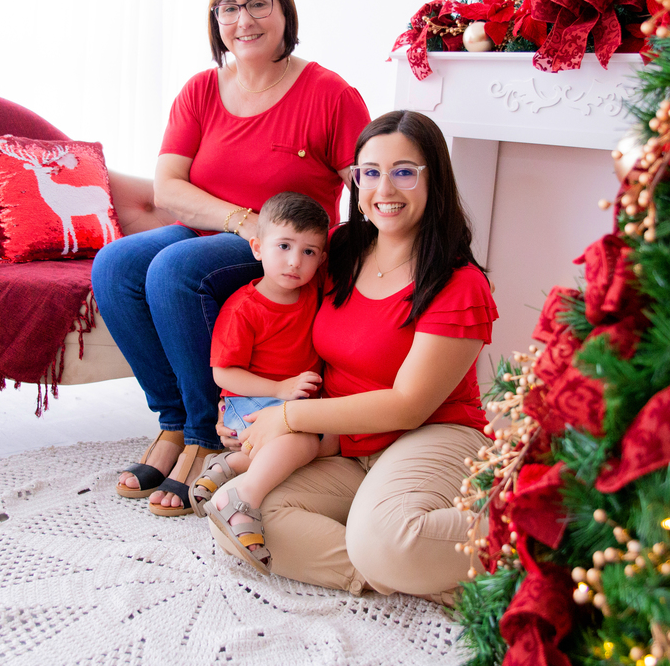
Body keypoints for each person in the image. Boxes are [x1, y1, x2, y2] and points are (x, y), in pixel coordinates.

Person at [90, 0, 370, 516]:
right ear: (215, 20)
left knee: (175, 270)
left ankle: (204, 437)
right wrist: (243, 221)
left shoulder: (329, 94)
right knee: (115, 265)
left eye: (259, 3)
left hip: (285, 251)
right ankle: (173, 422)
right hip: (216, 233)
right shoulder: (200, 90)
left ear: (285, 11)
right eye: (229, 8)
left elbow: (367, 188)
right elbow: (168, 186)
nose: (244, 20)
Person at [210, 110, 497, 605]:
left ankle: (524, 535)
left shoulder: (459, 283)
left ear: (435, 179)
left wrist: (287, 417)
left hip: (432, 433)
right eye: (370, 172)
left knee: (386, 538)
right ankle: (420, 575)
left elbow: (409, 405)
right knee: (243, 515)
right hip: (347, 442)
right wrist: (246, 408)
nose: (385, 188)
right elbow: (281, 317)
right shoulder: (341, 250)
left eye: (404, 171)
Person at [187, 192, 339, 575]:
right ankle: (241, 499)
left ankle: (234, 463)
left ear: (321, 259)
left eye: (308, 252)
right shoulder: (244, 308)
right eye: (283, 246)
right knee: (305, 441)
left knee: (330, 444)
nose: (294, 261)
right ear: (257, 247)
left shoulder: (315, 293)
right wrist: (279, 389)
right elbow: (223, 374)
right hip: (250, 402)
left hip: (289, 405)